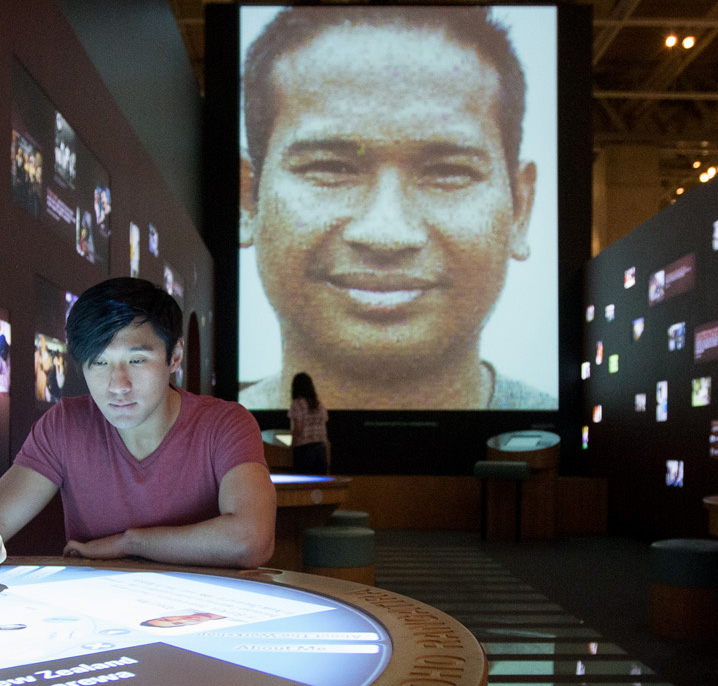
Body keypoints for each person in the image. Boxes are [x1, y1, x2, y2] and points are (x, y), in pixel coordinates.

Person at [236, 7, 553, 410]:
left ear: (520, 210)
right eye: (330, 167)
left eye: (448, 172)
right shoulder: (192, 448)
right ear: (248, 200)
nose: (386, 233)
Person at [0, 278, 274, 600]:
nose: (118, 384)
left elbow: (251, 539)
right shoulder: (65, 425)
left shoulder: (224, 424)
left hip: (209, 613)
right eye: (99, 362)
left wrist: (129, 544)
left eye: (137, 360)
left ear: (174, 356)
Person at [287, 373, 329, 475]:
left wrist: (292, 444)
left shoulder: (297, 404)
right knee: (319, 485)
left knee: (303, 485)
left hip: (304, 449)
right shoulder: (318, 404)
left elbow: (299, 427)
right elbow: (325, 419)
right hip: (321, 449)